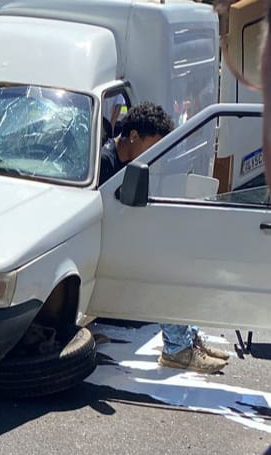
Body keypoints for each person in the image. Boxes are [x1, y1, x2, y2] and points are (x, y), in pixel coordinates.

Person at [98, 101, 230, 374]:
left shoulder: (131, 161)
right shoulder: (105, 161)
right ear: (134, 136)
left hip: (120, 241)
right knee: (162, 269)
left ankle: (187, 337)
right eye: (154, 144)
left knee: (178, 258)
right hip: (103, 246)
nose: (157, 153)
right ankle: (177, 348)